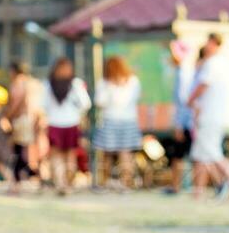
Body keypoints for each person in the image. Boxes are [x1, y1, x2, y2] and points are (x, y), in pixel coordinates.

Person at [188, 33, 229, 200]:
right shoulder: (223, 63)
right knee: (200, 153)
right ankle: (198, 191)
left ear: (213, 43)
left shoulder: (212, 64)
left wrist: (190, 100)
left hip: (210, 114)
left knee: (212, 152)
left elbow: (203, 85)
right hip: (214, 114)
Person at [41, 57, 91, 196]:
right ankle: (68, 184)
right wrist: (77, 113)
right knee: (70, 156)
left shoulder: (48, 85)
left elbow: (42, 105)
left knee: (56, 156)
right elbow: (86, 104)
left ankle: (60, 183)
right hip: (71, 123)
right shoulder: (76, 84)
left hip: (54, 124)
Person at [93, 56, 142, 189]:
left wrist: (112, 88)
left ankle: (120, 181)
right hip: (126, 120)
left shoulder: (127, 81)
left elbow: (100, 102)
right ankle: (119, 182)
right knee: (121, 153)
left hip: (113, 119)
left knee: (112, 154)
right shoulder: (132, 81)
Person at [164, 40, 194, 195]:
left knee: (180, 155)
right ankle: (176, 186)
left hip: (186, 122)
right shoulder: (183, 71)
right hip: (187, 121)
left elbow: (184, 102)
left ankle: (177, 186)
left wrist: (179, 125)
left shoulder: (184, 73)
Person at [7, 61, 41, 188]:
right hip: (32, 119)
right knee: (27, 148)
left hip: (22, 119)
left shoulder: (19, 83)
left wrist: (8, 116)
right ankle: (27, 173)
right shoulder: (34, 83)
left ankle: (24, 173)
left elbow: (18, 103)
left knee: (20, 148)